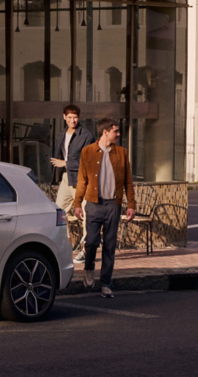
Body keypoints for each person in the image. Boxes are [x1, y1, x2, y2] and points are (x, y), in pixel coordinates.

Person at [73, 117, 135, 298]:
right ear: (105, 132)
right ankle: (89, 267)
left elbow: (128, 181)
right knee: (91, 241)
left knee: (109, 245)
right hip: (93, 204)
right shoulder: (88, 151)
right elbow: (82, 180)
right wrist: (77, 203)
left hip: (113, 205)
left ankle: (106, 284)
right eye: (115, 131)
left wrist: (131, 204)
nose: (118, 134)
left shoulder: (121, 152)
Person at [51, 105, 95, 264]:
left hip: (81, 180)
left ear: (79, 117)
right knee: (58, 212)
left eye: (75, 117)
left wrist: (66, 163)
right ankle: (67, 243)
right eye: (69, 117)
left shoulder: (86, 136)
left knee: (85, 215)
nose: (72, 120)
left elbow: (88, 160)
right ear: (64, 117)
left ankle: (85, 250)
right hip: (66, 178)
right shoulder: (62, 134)